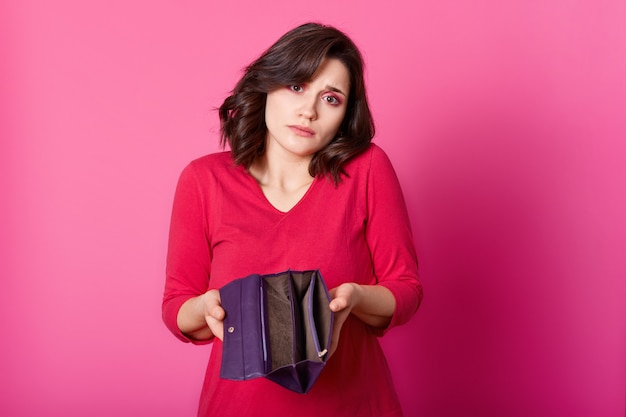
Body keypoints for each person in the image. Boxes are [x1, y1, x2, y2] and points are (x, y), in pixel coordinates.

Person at [162, 22, 422, 416]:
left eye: (331, 98)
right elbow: (176, 305)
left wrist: (353, 297)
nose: (309, 110)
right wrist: (207, 309)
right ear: (268, 84)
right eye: (297, 86)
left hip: (355, 404)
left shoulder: (368, 170)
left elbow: (405, 289)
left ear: (345, 113)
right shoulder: (203, 180)